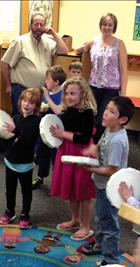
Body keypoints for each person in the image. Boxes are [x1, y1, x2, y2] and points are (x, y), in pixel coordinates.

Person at [77, 96, 134, 265]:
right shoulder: (110, 129)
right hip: (102, 185)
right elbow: (100, 144)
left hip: (110, 188)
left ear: (122, 119)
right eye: (106, 109)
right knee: (101, 217)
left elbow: (111, 170)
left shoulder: (117, 141)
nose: (105, 113)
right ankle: (100, 245)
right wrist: (92, 148)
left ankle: (110, 260)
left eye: (111, 111)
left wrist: (90, 169)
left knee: (109, 224)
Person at [51, 77, 97, 241]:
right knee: (71, 187)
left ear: (83, 95)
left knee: (83, 191)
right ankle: (75, 219)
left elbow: (84, 138)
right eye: (67, 93)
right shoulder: (67, 111)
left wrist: (62, 134)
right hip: (67, 151)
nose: (69, 97)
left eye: (73, 93)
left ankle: (86, 225)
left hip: (82, 154)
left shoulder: (87, 112)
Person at [1, 13, 68, 117]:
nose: (39, 27)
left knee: (36, 120)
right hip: (22, 90)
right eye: (36, 24)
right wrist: (8, 85)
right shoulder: (20, 42)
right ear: (30, 25)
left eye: (42, 24)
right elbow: (4, 62)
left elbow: (64, 50)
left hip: (41, 91)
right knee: (20, 119)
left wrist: (53, 33)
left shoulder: (48, 41)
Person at [77, 13, 128, 142]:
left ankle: (97, 146)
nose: (107, 27)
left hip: (111, 89)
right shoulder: (94, 41)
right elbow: (79, 50)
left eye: (110, 25)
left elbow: (123, 69)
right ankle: (87, 144)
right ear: (101, 26)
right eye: (104, 24)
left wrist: (123, 93)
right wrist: (83, 48)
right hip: (93, 86)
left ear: (114, 27)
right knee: (90, 117)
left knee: (103, 119)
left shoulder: (119, 44)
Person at [0, 88, 41, 229]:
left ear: (36, 106)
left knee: (26, 190)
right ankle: (10, 211)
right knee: (10, 189)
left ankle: (25, 214)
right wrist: (4, 134)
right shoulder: (15, 118)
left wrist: (14, 131)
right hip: (10, 161)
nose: (27, 104)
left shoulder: (36, 122)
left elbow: (27, 140)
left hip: (25, 163)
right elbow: (9, 139)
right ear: (20, 101)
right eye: (25, 100)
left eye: (31, 102)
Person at [32, 65, 66, 190]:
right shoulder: (48, 93)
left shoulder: (63, 95)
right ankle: (40, 177)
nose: (45, 81)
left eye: (48, 79)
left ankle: (56, 184)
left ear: (56, 82)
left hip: (57, 133)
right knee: (42, 155)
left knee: (56, 159)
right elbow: (43, 108)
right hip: (45, 132)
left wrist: (46, 96)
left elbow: (58, 111)